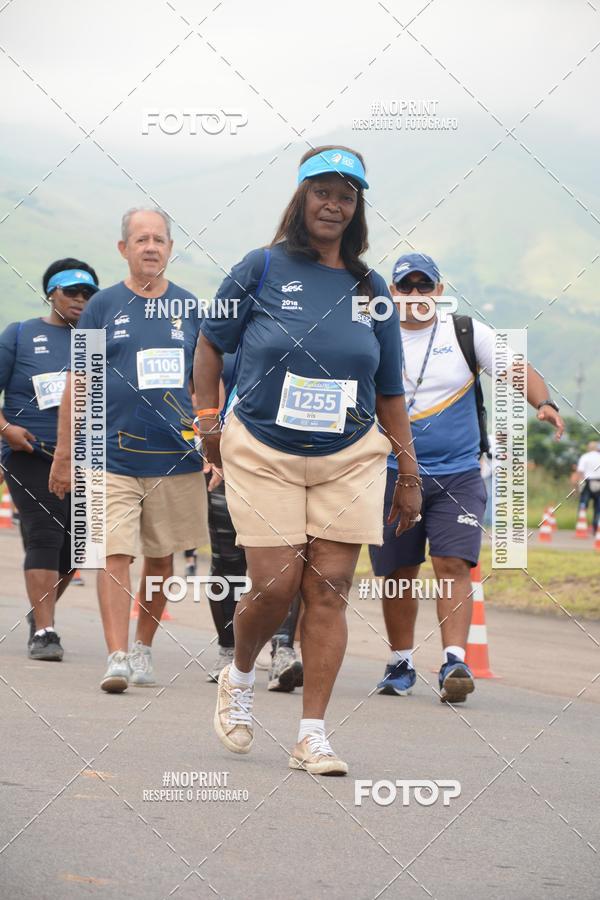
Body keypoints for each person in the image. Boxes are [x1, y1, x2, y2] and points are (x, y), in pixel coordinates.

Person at [194, 146, 420, 775]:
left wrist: (409, 473)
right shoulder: (260, 268)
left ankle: (312, 735)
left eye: (347, 196)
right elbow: (210, 345)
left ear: (358, 209)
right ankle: (238, 676)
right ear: (300, 198)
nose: (334, 204)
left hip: (349, 457)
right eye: (323, 191)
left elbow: (391, 391)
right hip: (264, 450)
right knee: (274, 583)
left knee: (329, 588)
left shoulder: (370, 287)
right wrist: (206, 421)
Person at [369, 252, 564, 703]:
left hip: (458, 475)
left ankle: (454, 660)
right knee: (399, 571)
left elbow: (517, 368)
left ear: (439, 291)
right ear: (392, 292)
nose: (416, 295)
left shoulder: (464, 332)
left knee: (453, 564)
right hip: (392, 474)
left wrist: (543, 403)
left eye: (425, 286)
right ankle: (400, 662)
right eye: (406, 287)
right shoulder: (375, 337)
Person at [49, 208, 211, 692]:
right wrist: (64, 453)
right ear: (124, 249)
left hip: (173, 459)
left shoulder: (189, 308)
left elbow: (203, 386)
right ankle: (116, 656)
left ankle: (143, 647)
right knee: (111, 552)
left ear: (170, 248)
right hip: (108, 455)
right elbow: (78, 383)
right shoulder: (102, 306)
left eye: (159, 239)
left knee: (161, 560)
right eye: (141, 239)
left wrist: (213, 447)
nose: (150, 247)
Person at [0, 259, 99, 659]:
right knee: (45, 532)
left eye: (88, 293)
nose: (80, 300)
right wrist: (6, 429)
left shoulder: (96, 343)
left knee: (76, 549)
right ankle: (45, 631)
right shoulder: (21, 334)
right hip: (29, 452)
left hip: (83, 459)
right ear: (51, 292)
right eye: (71, 291)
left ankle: (41, 613)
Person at [576, 441, 600, 533]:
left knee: (583, 505)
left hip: (588, 483)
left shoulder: (585, 456)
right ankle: (596, 528)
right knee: (598, 507)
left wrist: (580, 484)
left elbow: (580, 471)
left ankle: (581, 526)